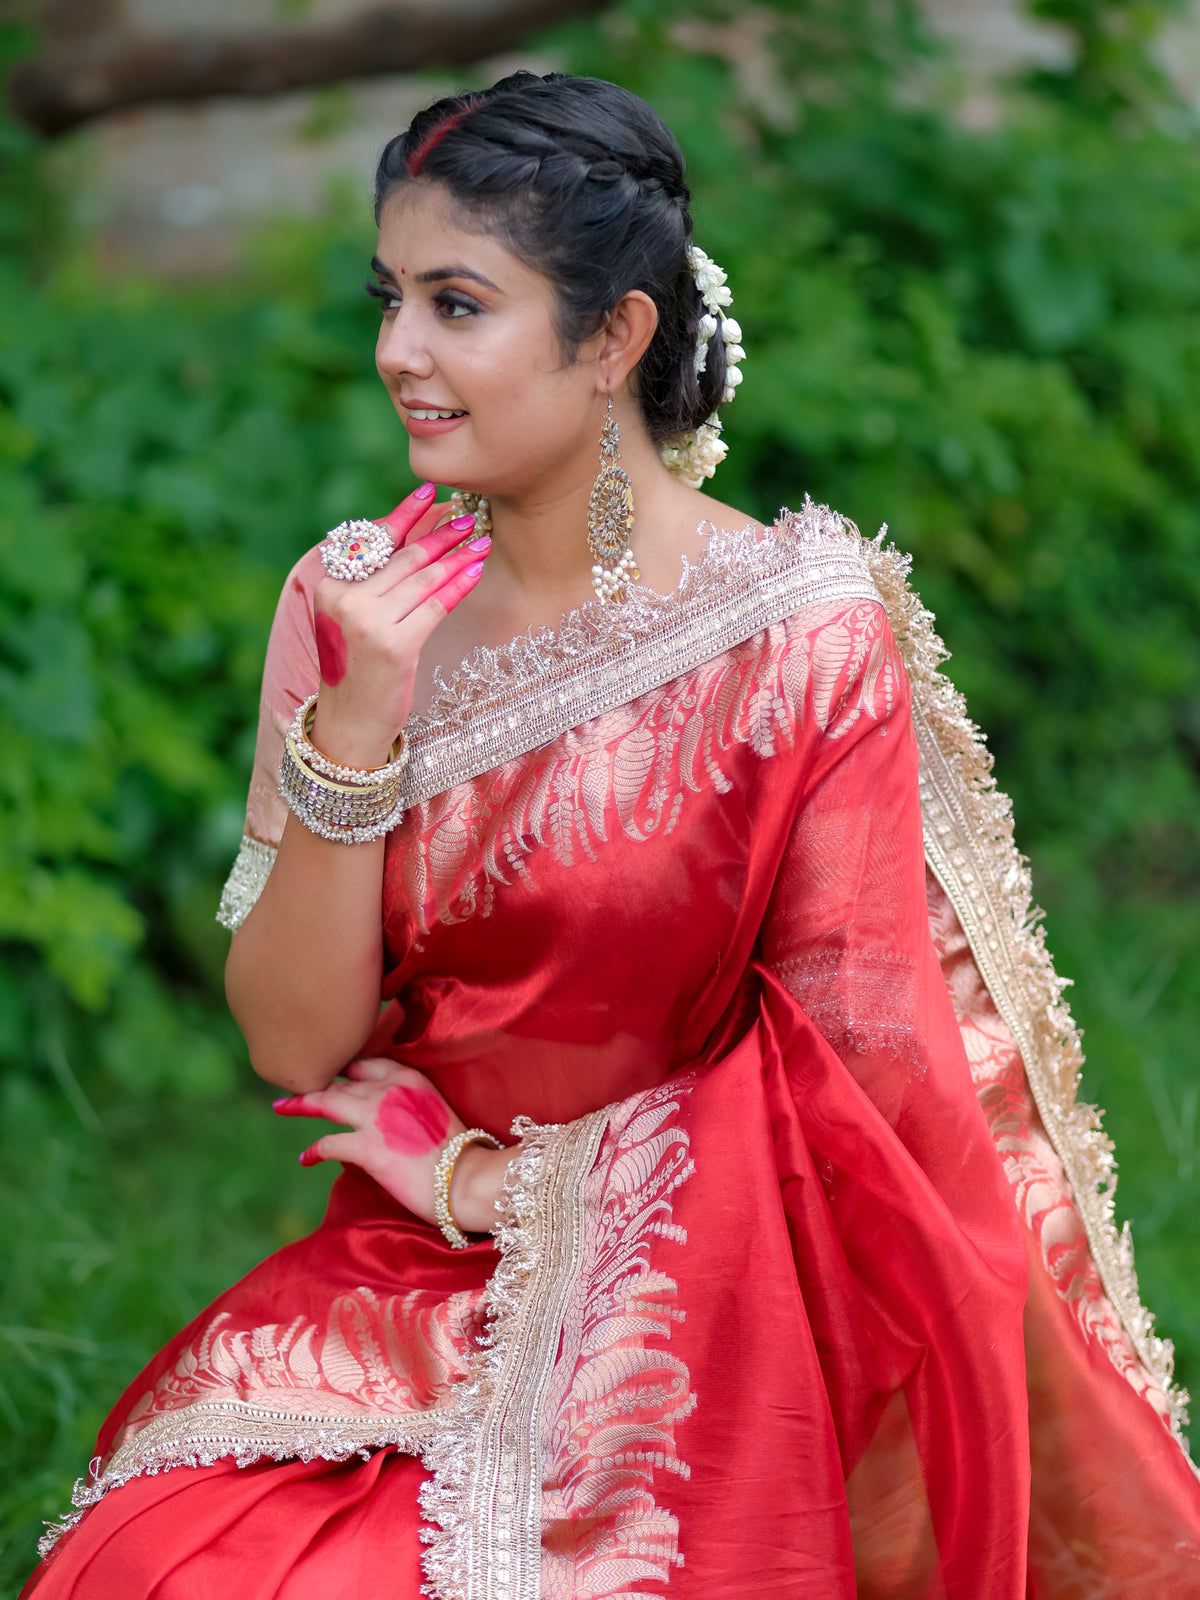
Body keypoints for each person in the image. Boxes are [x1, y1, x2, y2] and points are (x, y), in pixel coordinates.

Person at [20, 69, 1200, 1600]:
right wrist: (356, 725)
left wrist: (498, 1189)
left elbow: (862, 1094)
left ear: (614, 338)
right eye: (390, 298)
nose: (396, 352)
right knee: (156, 1567)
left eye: (457, 305)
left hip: (707, 1316)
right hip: (407, 1289)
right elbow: (295, 1044)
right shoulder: (354, 603)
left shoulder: (792, 638)